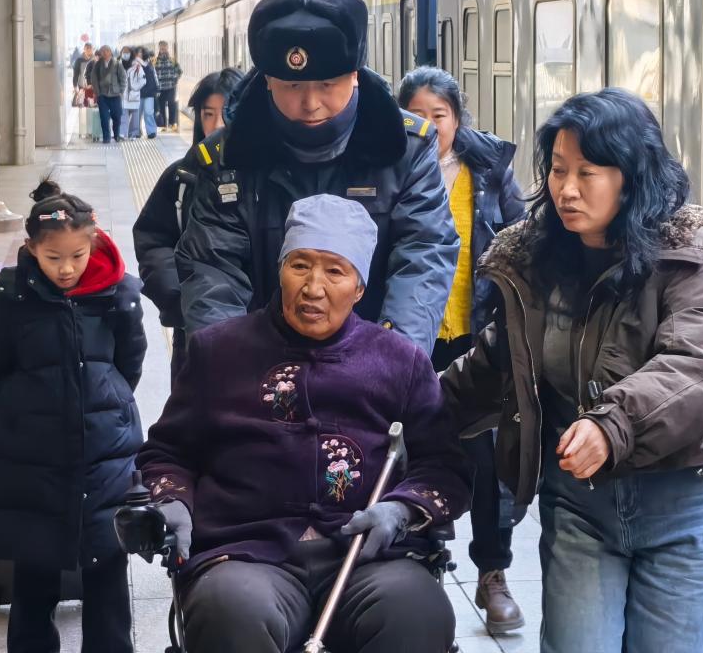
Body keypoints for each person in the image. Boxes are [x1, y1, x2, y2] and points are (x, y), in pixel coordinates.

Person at [442, 88, 703, 653]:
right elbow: (493, 364)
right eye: (559, 170)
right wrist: (391, 413)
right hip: (580, 507)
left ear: (631, 178)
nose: (567, 189)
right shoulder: (535, 262)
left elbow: (696, 365)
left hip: (687, 506)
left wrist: (612, 425)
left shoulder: (689, 257)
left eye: (587, 172)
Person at [139, 193, 470, 653]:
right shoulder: (218, 351)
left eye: (335, 271)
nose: (313, 288)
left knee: (417, 612)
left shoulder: (400, 361)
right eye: (300, 266)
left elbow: (444, 466)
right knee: (229, 610)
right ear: (280, 270)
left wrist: (401, 509)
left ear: (359, 289)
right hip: (247, 552)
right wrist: (172, 500)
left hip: (367, 559)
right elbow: (168, 452)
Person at [176, 0, 458, 354]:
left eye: (327, 85)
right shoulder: (227, 159)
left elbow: (423, 255)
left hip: (370, 357)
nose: (310, 103)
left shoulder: (406, 149)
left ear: (354, 74)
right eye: (292, 85)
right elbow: (213, 270)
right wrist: (232, 366)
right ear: (267, 80)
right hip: (260, 362)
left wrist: (391, 360)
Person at [0, 179, 146, 653]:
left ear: (94, 243)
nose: (66, 269)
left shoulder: (117, 296)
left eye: (77, 256)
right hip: (33, 460)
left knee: (107, 566)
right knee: (35, 569)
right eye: (53, 258)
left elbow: (129, 362)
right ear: (31, 248)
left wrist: (103, 403)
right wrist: (26, 409)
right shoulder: (10, 301)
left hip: (104, 456)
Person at [396, 66, 526, 633]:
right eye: (416, 115)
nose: (429, 126)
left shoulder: (489, 170)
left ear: (457, 118)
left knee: (488, 460)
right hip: (411, 338)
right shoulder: (388, 167)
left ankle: (493, 573)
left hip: (476, 337)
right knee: (413, 453)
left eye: (439, 115)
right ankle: (420, 561)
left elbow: (521, 239)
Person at [133, 67, 244, 380]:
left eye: (226, 113)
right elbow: (153, 239)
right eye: (208, 114)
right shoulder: (181, 176)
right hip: (192, 329)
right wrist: (179, 297)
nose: (217, 124)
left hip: (258, 329)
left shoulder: (264, 178)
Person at [93, 45, 126, 143]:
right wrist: (98, 92)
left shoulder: (117, 63)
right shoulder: (98, 64)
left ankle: (116, 135)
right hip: (102, 95)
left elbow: (123, 78)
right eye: (102, 51)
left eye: (106, 51)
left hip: (115, 94)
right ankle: (106, 137)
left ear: (110, 52)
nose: (104, 53)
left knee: (117, 116)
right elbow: (94, 78)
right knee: (104, 117)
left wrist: (121, 91)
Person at [155, 40, 183, 130]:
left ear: (167, 48)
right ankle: (163, 125)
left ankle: (172, 123)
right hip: (160, 88)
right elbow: (152, 73)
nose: (163, 50)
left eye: (164, 48)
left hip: (171, 87)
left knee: (172, 104)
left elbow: (179, 71)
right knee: (161, 106)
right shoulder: (155, 61)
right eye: (161, 48)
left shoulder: (172, 60)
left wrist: (175, 79)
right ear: (159, 48)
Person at [123, 49, 147, 140]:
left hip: (134, 95)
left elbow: (143, 80)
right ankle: (123, 133)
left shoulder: (137, 66)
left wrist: (135, 88)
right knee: (123, 115)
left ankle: (133, 133)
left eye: (127, 54)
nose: (126, 55)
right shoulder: (119, 65)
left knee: (135, 116)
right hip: (123, 95)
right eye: (124, 53)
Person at [139, 48, 161, 139]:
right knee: (137, 114)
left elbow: (155, 77)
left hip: (149, 93)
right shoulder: (135, 64)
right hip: (138, 93)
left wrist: (157, 88)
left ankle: (151, 131)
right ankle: (136, 131)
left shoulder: (150, 65)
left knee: (148, 112)